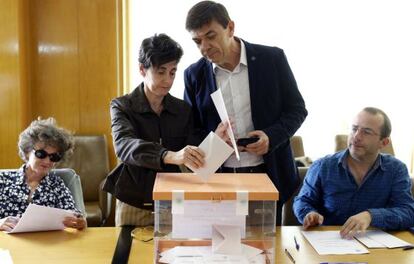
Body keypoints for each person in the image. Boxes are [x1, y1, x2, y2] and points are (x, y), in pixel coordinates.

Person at [183, 1, 307, 224]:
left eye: (210, 36)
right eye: (197, 41)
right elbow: (191, 131)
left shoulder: (272, 59)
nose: (204, 47)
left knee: (267, 251)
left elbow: (297, 109)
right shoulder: (194, 75)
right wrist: (214, 142)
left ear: (230, 28)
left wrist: (271, 136)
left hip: (269, 173)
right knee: (222, 254)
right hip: (220, 179)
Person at [103, 33, 208, 227]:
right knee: (130, 255)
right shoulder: (122, 106)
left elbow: (194, 151)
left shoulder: (183, 110)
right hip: (133, 201)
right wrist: (169, 155)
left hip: (174, 201)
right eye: (161, 72)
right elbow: (124, 145)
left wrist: (216, 138)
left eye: (173, 72)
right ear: (142, 70)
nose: (168, 80)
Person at [293, 107, 414, 238]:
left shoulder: (396, 169)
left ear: (383, 142)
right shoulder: (323, 166)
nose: (356, 137)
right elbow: (302, 201)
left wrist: (371, 216)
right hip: (328, 244)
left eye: (367, 132)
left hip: (375, 247)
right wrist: (309, 213)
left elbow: (407, 212)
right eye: (354, 129)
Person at [0, 118, 86, 231]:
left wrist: (79, 222)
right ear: (27, 152)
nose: (47, 161)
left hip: (46, 245)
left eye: (54, 157)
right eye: (41, 154)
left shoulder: (57, 185)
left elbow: (74, 215)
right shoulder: (2, 181)